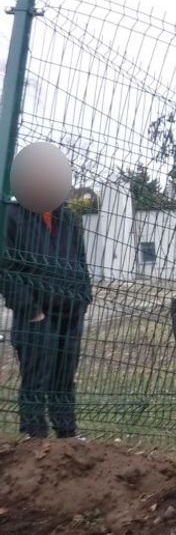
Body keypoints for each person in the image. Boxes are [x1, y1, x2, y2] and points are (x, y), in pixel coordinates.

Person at [0, 142, 90, 438]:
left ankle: (68, 434)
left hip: (70, 313)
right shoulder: (10, 216)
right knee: (36, 378)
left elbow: (80, 263)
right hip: (36, 315)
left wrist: (82, 299)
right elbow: (6, 270)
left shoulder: (69, 219)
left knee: (65, 378)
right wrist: (31, 309)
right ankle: (34, 438)